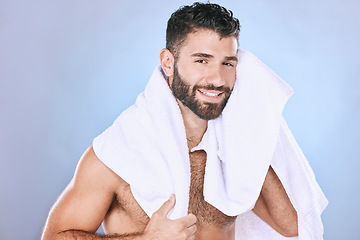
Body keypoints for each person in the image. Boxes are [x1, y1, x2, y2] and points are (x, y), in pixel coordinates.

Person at [42, 2, 327, 240]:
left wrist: (251, 126)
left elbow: (293, 227)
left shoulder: (236, 145)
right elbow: (54, 236)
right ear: (168, 62)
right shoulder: (116, 153)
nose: (217, 79)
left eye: (227, 62)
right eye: (201, 60)